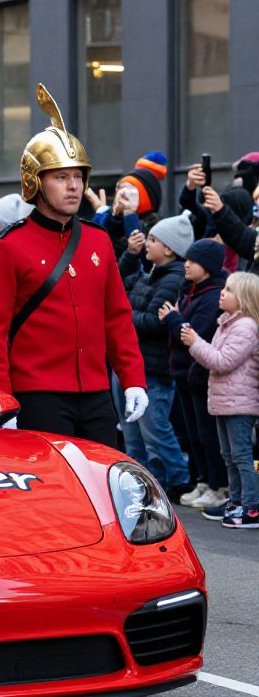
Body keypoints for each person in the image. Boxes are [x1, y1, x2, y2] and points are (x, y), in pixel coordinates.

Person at [0, 83, 146, 444]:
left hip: (96, 393)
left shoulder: (98, 239)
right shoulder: (7, 247)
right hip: (37, 395)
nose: (74, 186)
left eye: (78, 176)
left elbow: (116, 317)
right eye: (61, 177)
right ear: (35, 183)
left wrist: (133, 379)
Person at [113, 212, 193, 496]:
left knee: (155, 432)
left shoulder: (173, 280)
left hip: (153, 369)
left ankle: (177, 479)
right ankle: (142, 481)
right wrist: (131, 255)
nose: (147, 243)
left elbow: (152, 322)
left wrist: (121, 315)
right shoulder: (152, 273)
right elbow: (119, 285)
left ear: (169, 249)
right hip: (131, 364)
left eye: (154, 240)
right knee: (132, 432)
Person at [182, 271, 259, 529]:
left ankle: (252, 506)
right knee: (229, 455)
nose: (222, 293)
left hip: (241, 403)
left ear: (244, 298)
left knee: (241, 456)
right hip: (226, 401)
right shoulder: (227, 323)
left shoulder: (246, 327)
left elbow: (222, 361)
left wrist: (195, 343)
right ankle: (236, 501)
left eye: (229, 290)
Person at [158, 239, 228, 511]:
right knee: (192, 433)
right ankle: (202, 479)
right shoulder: (191, 291)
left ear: (207, 266)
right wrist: (177, 321)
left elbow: (194, 335)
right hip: (183, 373)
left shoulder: (212, 296)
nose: (186, 264)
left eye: (193, 261)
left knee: (207, 434)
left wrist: (174, 319)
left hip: (199, 375)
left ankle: (217, 485)